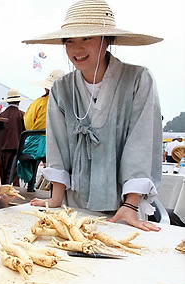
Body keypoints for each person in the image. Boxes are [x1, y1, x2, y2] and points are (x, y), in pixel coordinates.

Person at [22, 0, 163, 232]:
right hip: (75, 203)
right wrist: (56, 198)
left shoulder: (138, 80)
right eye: (69, 41)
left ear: (107, 39)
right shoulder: (61, 89)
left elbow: (142, 142)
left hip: (124, 207)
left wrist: (130, 204)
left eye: (87, 38)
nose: (77, 49)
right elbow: (58, 144)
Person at [18, 69, 64, 192]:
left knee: (29, 152)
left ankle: (30, 186)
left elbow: (27, 123)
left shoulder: (38, 102)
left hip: (36, 143)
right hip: (58, 145)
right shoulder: (65, 104)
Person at [0, 88, 27, 185]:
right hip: (16, 149)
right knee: (13, 176)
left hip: (1, 150)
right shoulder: (22, 115)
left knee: (0, 174)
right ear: (19, 101)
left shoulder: (0, 115)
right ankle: (12, 196)